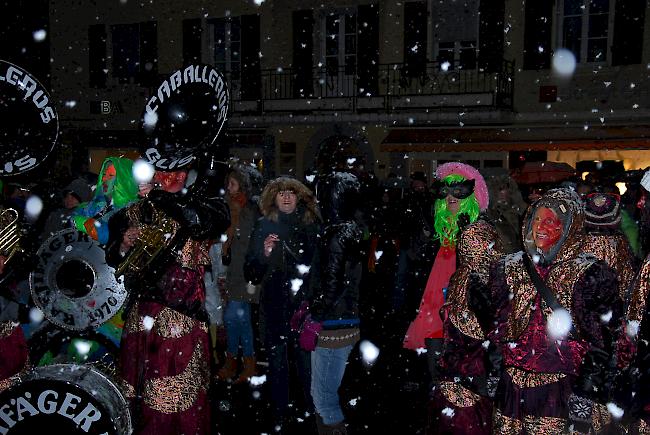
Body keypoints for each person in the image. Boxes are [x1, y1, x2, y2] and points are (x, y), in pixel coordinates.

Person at [473, 188, 623, 433]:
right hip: (513, 391)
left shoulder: (588, 273)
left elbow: (603, 340)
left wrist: (586, 391)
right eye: (537, 219)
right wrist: (494, 370)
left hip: (560, 391)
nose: (540, 227)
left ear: (567, 227)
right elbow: (496, 327)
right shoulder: (508, 267)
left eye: (550, 221)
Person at [106, 164, 230, 435]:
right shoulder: (135, 211)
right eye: (157, 172)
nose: (159, 178)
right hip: (142, 317)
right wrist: (125, 244)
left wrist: (161, 198)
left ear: (183, 176)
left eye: (167, 173)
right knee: (136, 395)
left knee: (176, 399)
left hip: (181, 319)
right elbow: (113, 256)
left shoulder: (197, 205)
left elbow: (204, 222)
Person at [244, 176, 320, 430]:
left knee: (305, 363)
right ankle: (280, 414)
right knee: (277, 363)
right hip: (274, 304)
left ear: (299, 197)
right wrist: (264, 254)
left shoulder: (311, 226)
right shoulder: (264, 225)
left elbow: (319, 267)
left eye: (291, 193)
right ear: (273, 198)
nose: (286, 197)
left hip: (303, 306)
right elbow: (251, 272)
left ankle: (310, 411)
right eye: (281, 193)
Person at [403, 162, 490, 384]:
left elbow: (486, 278)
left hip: (465, 318)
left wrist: (467, 238)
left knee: (465, 382)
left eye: (459, 191)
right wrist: (423, 238)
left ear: (472, 196)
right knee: (437, 379)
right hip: (432, 314)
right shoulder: (435, 230)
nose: (451, 196)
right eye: (446, 190)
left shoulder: (482, 230)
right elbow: (412, 265)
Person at [298, 171, 364, 435]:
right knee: (322, 391)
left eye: (320, 196)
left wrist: (315, 313)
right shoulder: (347, 230)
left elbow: (333, 282)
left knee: (323, 395)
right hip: (341, 318)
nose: (316, 202)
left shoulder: (337, 234)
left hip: (334, 322)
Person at [426, 220, 504, 434]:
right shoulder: (483, 282)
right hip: (472, 373)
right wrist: (495, 380)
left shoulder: (461, 275)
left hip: (455, 371)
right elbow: (495, 333)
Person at [217, 166, 261, 384]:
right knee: (234, 320)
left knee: (236, 319)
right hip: (233, 272)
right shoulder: (228, 208)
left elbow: (254, 245)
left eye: (232, 184)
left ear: (242, 185)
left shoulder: (250, 210)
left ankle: (245, 363)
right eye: (228, 184)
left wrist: (254, 278)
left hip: (246, 274)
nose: (228, 187)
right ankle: (235, 362)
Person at [71, 156, 139, 244]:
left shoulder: (133, 209)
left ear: (124, 180)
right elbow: (72, 218)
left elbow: (113, 236)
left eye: (110, 175)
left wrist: (85, 224)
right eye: (103, 174)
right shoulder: (98, 203)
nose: (104, 179)